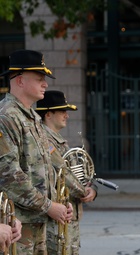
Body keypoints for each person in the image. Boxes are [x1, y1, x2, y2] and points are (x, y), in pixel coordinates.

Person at [0, 49, 73, 254]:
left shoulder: (32, 117)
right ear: (20, 81)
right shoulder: (6, 117)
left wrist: (57, 204)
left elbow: (46, 168)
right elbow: (9, 176)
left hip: (37, 220)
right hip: (17, 225)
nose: (45, 84)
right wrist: (49, 206)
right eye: (40, 78)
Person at [36, 90, 97, 255]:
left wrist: (91, 188)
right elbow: (65, 174)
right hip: (57, 218)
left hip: (69, 214)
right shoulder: (46, 141)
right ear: (48, 114)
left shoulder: (58, 140)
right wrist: (86, 192)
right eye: (62, 111)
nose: (67, 115)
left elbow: (77, 174)